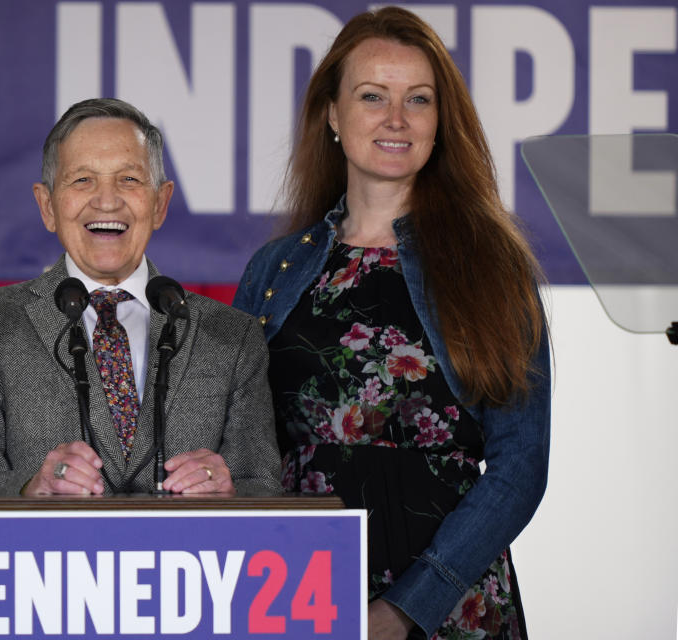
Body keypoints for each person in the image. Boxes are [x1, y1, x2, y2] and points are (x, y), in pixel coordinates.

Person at [233, 7, 550, 640]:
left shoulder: (494, 265)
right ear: (332, 113)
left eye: (419, 99)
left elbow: (521, 467)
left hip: (451, 608)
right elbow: (234, 443)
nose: (396, 119)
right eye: (372, 95)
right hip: (299, 592)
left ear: (440, 121)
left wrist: (408, 607)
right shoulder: (274, 267)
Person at [0, 98, 280, 497]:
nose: (107, 200)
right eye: (82, 180)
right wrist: (29, 489)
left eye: (129, 179)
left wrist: (230, 491)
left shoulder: (232, 336)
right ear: (47, 206)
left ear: (160, 203)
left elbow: (262, 484)